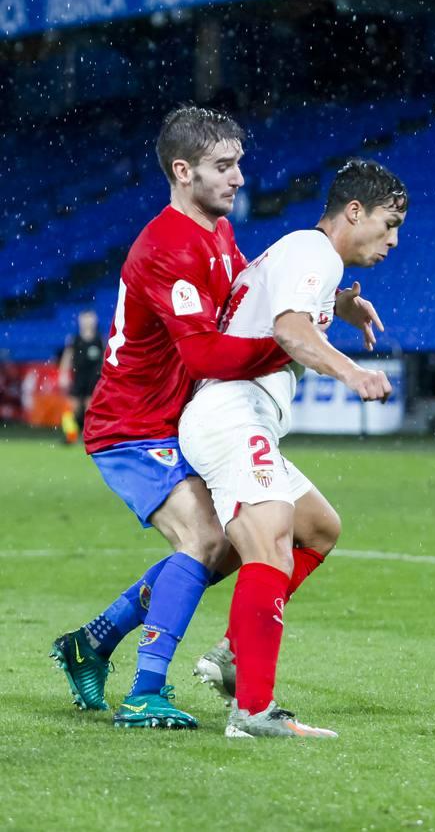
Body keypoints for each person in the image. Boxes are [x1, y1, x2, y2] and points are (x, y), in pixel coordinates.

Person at [50, 106, 383, 729]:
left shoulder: (217, 232)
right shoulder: (167, 247)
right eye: (223, 167)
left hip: (177, 416)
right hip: (131, 425)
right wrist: (293, 341)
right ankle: (145, 692)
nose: (238, 178)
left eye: (239, 164)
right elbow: (205, 351)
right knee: (203, 541)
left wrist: (326, 306)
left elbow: (245, 303)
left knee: (252, 539)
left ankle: (91, 644)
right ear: (183, 171)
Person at [179, 158, 408, 738]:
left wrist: (340, 306)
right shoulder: (314, 252)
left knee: (318, 528)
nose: (394, 240)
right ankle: (252, 711)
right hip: (231, 413)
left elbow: (279, 309)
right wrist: (352, 372)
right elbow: (289, 330)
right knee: (271, 542)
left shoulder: (308, 258)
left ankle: (235, 653)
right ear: (353, 212)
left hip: (238, 415)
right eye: (388, 223)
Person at [58, 310, 104, 443]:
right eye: (85, 319)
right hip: (78, 377)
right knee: (73, 408)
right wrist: (63, 374)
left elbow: (106, 358)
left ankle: (89, 436)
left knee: (90, 408)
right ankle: (71, 435)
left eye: (90, 318)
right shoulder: (74, 339)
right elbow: (67, 357)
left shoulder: (99, 339)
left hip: (94, 378)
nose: (87, 321)